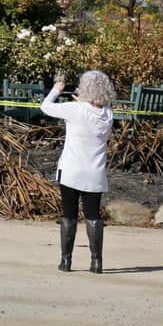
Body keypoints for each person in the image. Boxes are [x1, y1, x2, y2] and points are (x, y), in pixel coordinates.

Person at [40, 69, 116, 273]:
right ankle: (96, 261)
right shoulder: (108, 113)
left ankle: (66, 261)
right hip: (95, 172)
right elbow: (100, 105)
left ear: (85, 90)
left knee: (69, 214)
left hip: (71, 170)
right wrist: (84, 100)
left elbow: (46, 107)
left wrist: (56, 90)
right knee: (93, 216)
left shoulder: (75, 109)